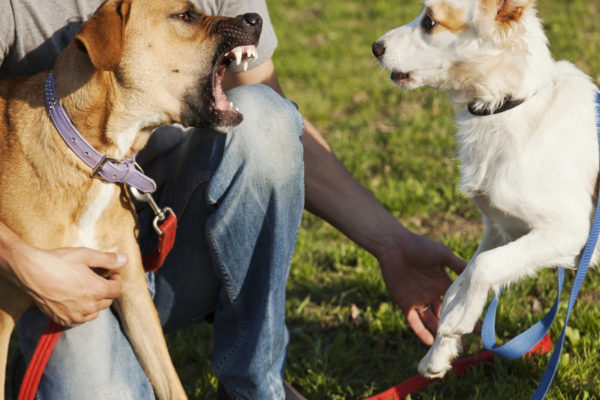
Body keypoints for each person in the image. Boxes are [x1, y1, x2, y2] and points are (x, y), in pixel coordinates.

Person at [0, 0, 466, 399]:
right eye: (185, 15)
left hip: (172, 236)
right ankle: (42, 361)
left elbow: (277, 130)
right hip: (50, 276)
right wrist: (24, 264)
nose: (202, 19)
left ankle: (254, 386)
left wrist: (391, 243)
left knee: (265, 116)